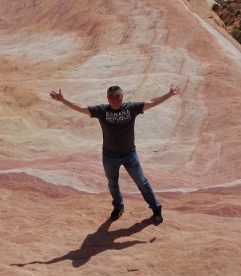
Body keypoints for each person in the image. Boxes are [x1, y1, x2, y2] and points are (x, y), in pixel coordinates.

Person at [49, 84, 182, 223]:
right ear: (107, 98)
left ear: (122, 97)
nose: (114, 99)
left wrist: (169, 94)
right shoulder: (101, 111)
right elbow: (81, 108)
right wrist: (63, 100)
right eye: (111, 97)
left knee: (141, 182)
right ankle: (118, 206)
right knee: (112, 183)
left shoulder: (131, 108)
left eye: (117, 96)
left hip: (129, 154)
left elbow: (151, 102)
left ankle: (156, 208)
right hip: (109, 155)